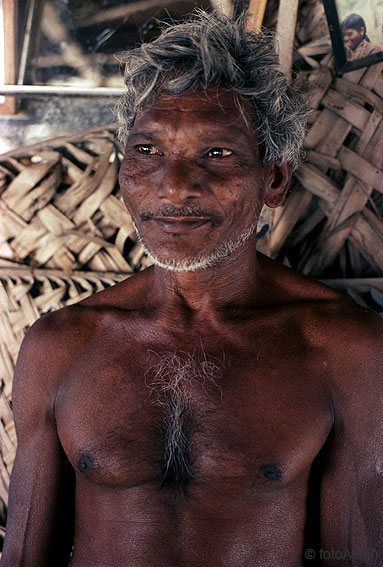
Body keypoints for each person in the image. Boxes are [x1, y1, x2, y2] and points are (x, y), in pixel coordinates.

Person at [1, 10, 383, 567]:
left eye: (218, 153)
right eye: (149, 151)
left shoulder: (344, 351)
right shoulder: (61, 346)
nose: (175, 187)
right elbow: (25, 555)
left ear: (274, 178)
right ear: (124, 164)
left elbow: (355, 556)